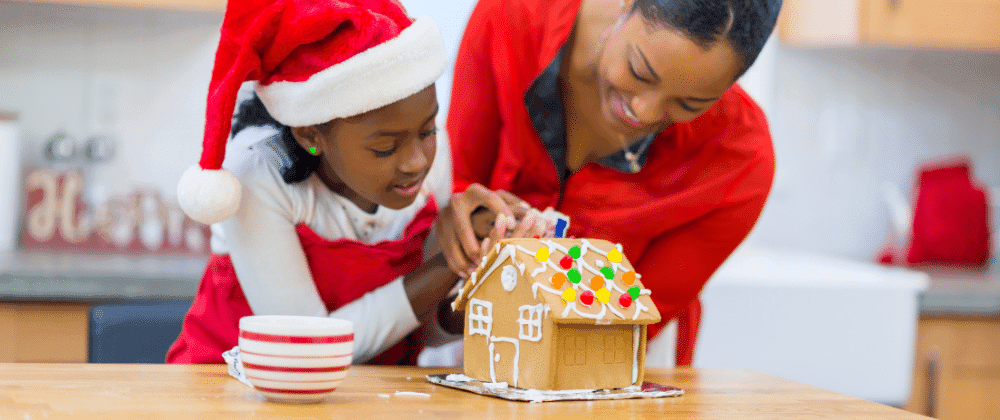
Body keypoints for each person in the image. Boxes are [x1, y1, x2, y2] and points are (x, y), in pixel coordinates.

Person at [438, 0, 783, 366]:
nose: (644, 112)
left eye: (690, 104)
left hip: (616, 363)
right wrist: (469, 226)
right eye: (640, 71)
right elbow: (457, 185)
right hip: (461, 336)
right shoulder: (512, 17)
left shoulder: (740, 159)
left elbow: (635, 318)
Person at [167, 0, 467, 365]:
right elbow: (304, 346)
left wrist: (479, 268)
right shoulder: (256, 175)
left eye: (428, 130)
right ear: (311, 135)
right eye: (385, 148)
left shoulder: (432, 156)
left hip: (368, 389)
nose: (417, 161)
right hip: (234, 381)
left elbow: (421, 325)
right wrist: (448, 266)